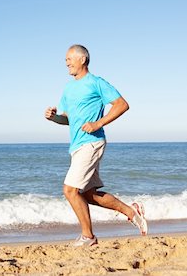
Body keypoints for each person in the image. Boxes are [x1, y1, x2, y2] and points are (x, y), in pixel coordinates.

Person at [45, 44, 148, 246]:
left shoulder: (96, 83)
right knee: (88, 194)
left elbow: (122, 104)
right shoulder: (68, 88)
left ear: (82, 59)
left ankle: (88, 237)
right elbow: (68, 119)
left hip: (91, 143)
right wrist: (53, 118)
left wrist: (98, 123)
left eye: (69, 59)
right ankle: (131, 211)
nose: (66, 63)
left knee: (70, 190)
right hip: (76, 146)